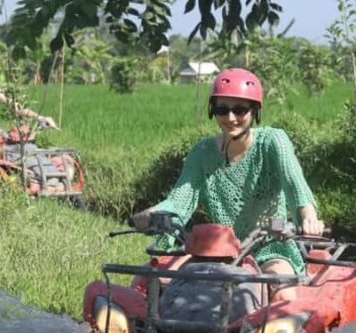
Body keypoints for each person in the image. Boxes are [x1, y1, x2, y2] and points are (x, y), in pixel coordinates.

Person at [132, 68, 325, 301]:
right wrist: (151, 215)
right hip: (216, 249)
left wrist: (308, 216)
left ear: (254, 111)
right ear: (213, 110)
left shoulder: (273, 142)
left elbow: (295, 185)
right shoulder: (202, 152)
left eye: (240, 109)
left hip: (269, 246)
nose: (231, 117)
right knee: (149, 280)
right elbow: (179, 200)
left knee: (283, 294)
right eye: (223, 109)